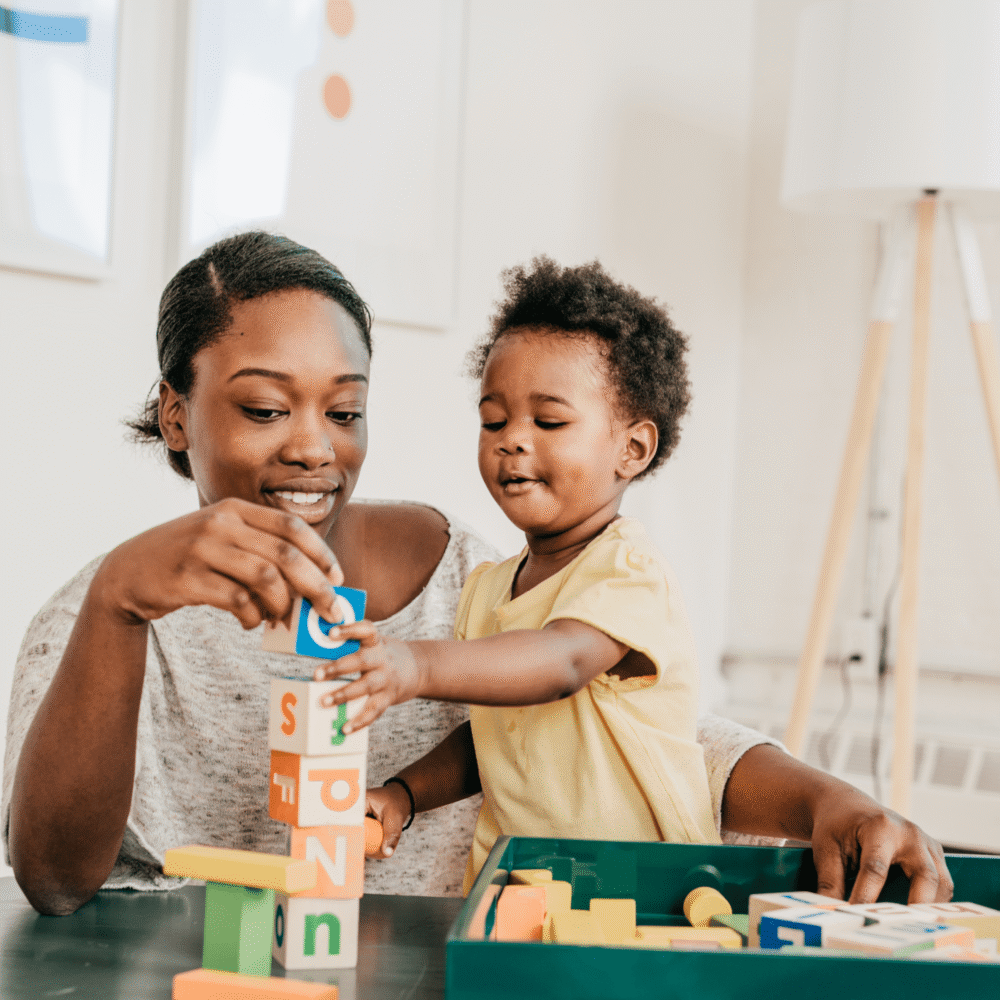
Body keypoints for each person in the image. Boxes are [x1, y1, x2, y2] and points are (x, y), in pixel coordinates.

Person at [2, 232, 952, 917]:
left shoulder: (478, 573)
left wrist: (831, 797)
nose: (311, 449)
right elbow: (50, 880)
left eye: (344, 412)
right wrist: (118, 607)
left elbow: (646, 736)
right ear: (177, 416)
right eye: (261, 409)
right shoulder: (102, 612)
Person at [313, 256, 723, 890]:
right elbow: (496, 739)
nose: (512, 440)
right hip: (519, 888)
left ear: (632, 449)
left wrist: (416, 665)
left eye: (549, 421)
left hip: (643, 893)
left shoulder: (628, 571)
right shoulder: (488, 590)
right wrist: (404, 793)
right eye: (494, 420)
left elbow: (560, 664)